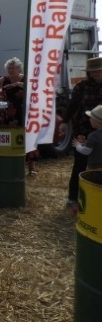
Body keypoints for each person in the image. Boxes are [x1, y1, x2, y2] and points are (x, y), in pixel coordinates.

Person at [0, 57, 39, 176]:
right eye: (9, 68)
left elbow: (35, 89)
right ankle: (13, 165)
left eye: (13, 68)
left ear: (19, 69)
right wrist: (1, 99)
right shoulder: (5, 79)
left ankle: (32, 168)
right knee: (11, 139)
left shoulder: (25, 78)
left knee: (29, 139)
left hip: (26, 112)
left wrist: (18, 84)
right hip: (10, 113)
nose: (11, 70)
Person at [58, 56, 102, 208]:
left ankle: (96, 199)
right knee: (80, 163)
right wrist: (64, 122)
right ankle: (73, 197)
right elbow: (72, 105)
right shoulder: (81, 86)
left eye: (98, 71)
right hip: (83, 129)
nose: (95, 74)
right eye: (92, 71)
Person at [72, 105, 102, 170]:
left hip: (95, 168)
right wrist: (87, 143)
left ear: (97, 121)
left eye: (91, 118)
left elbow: (86, 151)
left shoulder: (93, 136)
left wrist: (78, 145)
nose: (89, 119)